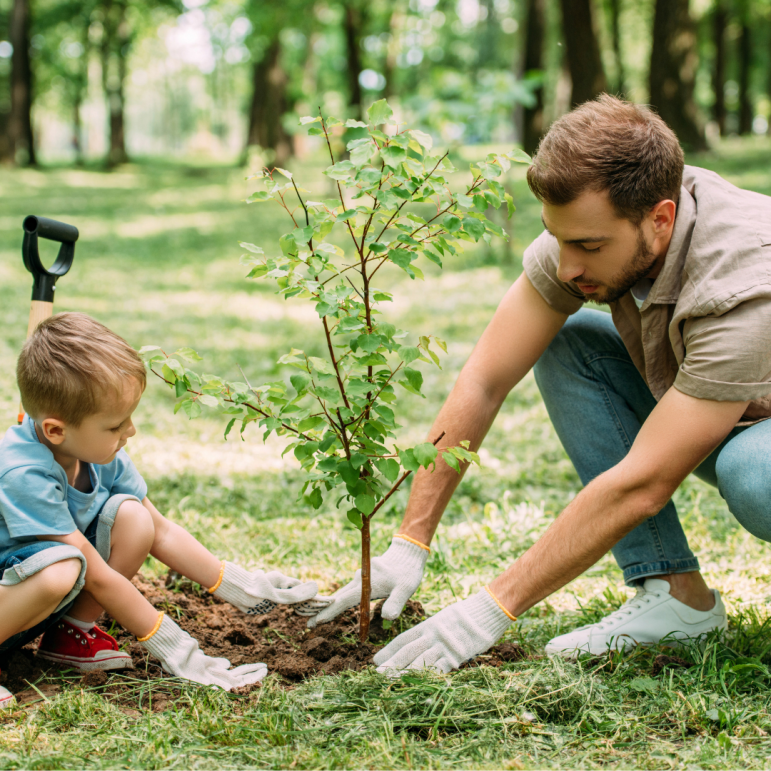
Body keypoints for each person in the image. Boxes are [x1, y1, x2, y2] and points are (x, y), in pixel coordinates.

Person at [308, 94, 771, 673]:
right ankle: (676, 598)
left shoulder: (746, 284)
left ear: (661, 218)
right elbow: (485, 379)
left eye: (589, 246)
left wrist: (491, 608)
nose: (568, 265)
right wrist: (410, 541)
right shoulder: (595, 229)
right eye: (559, 238)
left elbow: (644, 482)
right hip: (729, 407)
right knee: (568, 337)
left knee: (755, 474)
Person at [0, 313, 328, 708]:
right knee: (63, 570)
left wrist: (244, 588)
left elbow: (161, 530)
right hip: (16, 590)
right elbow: (99, 577)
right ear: (56, 430)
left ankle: (71, 635)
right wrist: (178, 650)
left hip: (24, 599)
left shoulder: (96, 452)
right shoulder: (24, 473)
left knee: (134, 519)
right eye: (116, 424)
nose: (131, 431)